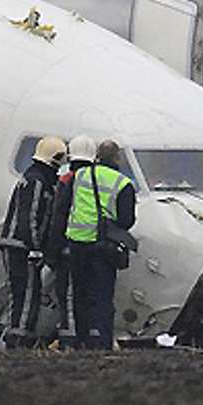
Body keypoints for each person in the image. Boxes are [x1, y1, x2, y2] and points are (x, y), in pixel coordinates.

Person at [65, 139, 136, 350]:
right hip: (104, 246)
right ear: (117, 158)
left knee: (80, 294)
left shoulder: (79, 176)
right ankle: (103, 341)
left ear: (97, 157)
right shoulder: (122, 183)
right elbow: (127, 220)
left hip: (77, 243)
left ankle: (81, 339)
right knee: (104, 296)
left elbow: (64, 206)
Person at [0, 136, 65, 348]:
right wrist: (36, 247)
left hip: (18, 244)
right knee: (25, 293)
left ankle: (19, 335)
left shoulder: (33, 177)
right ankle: (19, 339)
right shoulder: (37, 181)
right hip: (22, 246)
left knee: (25, 291)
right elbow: (31, 216)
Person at [44, 135, 96, 349]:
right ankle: (92, 338)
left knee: (68, 296)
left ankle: (70, 339)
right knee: (91, 295)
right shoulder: (99, 178)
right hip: (95, 248)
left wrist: (51, 252)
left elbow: (59, 216)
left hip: (69, 248)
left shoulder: (67, 181)